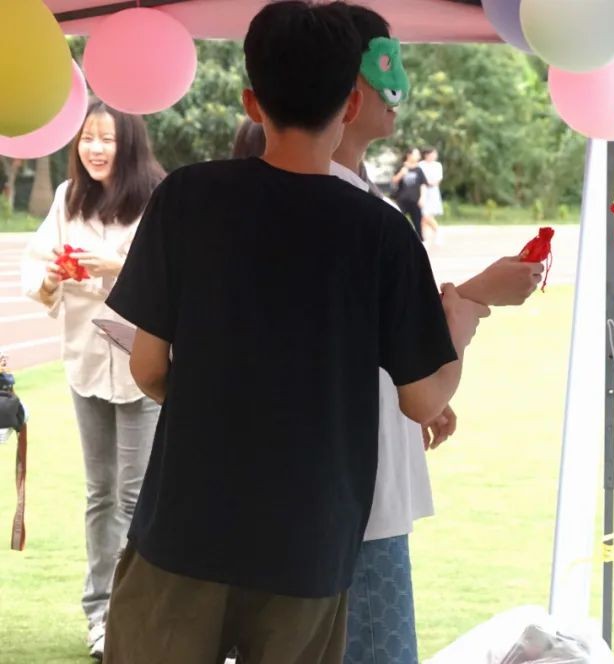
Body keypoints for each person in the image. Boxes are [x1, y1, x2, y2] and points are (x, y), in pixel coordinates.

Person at [101, 2, 489, 661]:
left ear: (252, 102)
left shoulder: (187, 198)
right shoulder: (381, 232)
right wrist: (466, 319)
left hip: (186, 525)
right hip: (311, 541)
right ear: (351, 101)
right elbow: (424, 400)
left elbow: (147, 368)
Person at [329, 7, 543, 663]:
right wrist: (472, 301)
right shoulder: (360, 219)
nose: (397, 89)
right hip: (359, 498)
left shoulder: (328, 205)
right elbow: (417, 386)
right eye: (383, 66)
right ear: (349, 90)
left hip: (319, 493)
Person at [20, 99, 164, 661]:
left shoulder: (156, 198)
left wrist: (114, 267)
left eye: (107, 138)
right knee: (100, 494)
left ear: (129, 144)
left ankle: (138, 613)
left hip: (142, 369)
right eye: (87, 138)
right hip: (84, 362)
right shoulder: (67, 198)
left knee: (135, 495)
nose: (96, 148)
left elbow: (174, 277)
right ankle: (100, 615)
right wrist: (51, 279)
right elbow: (39, 266)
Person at [391, 147, 427, 237]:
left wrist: (422, 198)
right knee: (397, 220)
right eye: (416, 154)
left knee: (417, 223)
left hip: (415, 200)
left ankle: (420, 241)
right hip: (402, 199)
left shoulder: (418, 169)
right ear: (409, 155)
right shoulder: (401, 167)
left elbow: (423, 184)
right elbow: (394, 181)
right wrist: (401, 173)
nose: (418, 156)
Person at [418, 147, 443, 243]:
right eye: (432, 154)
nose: (434, 156)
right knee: (424, 214)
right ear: (426, 155)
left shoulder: (437, 165)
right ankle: (429, 235)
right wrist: (425, 183)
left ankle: (428, 236)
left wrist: (431, 183)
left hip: (433, 191)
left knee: (428, 215)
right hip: (422, 190)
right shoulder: (420, 164)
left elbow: (439, 178)